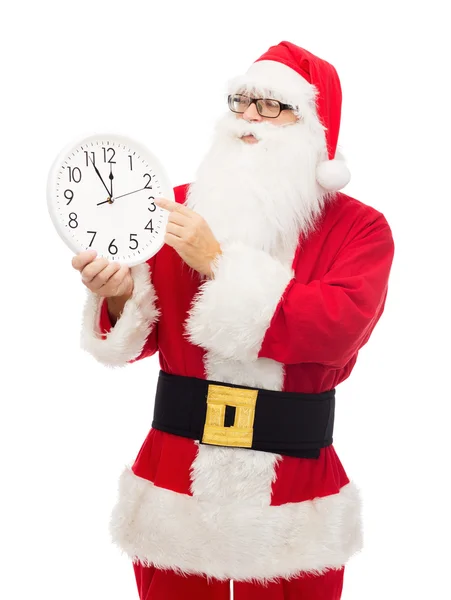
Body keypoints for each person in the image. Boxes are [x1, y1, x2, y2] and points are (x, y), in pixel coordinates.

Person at [72, 41, 395, 600]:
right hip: (176, 487)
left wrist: (218, 262)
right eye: (241, 99)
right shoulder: (173, 210)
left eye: (272, 105)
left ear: (315, 128)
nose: (248, 116)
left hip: (294, 495)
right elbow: (137, 338)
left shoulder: (360, 230)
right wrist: (120, 296)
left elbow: (337, 331)